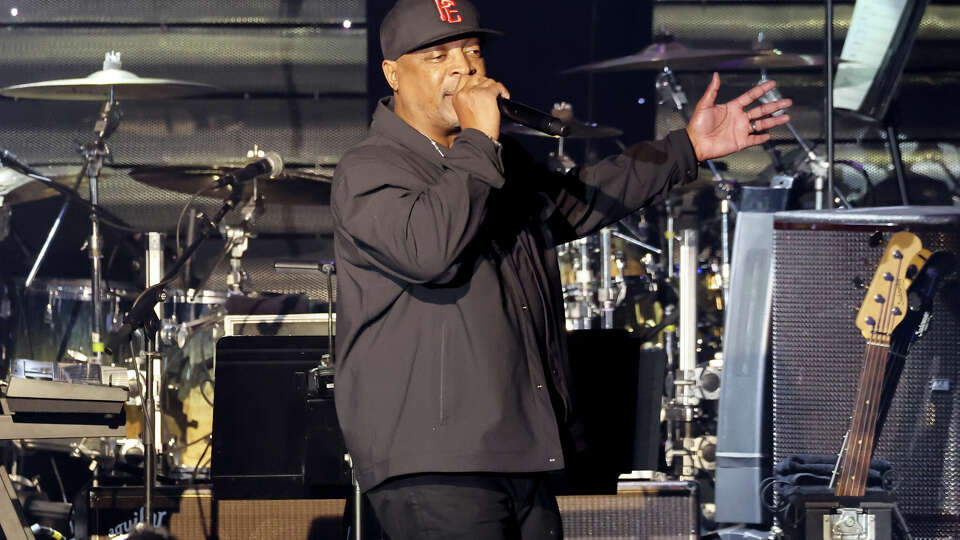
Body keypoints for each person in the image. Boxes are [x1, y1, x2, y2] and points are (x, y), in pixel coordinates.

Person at [331, 0, 791, 538]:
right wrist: (481, 140)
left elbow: (580, 201)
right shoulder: (370, 169)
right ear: (392, 73)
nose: (463, 68)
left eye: (472, 51)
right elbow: (430, 249)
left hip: (518, 452)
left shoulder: (496, 164)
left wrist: (687, 147)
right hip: (434, 463)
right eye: (438, 56)